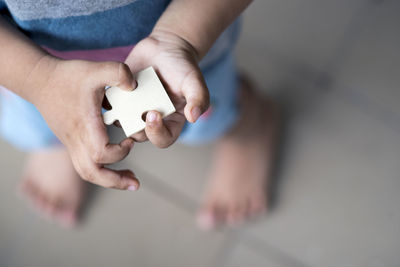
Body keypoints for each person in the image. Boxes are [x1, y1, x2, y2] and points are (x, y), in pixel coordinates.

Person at [0, 0, 276, 229]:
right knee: (44, 125)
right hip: (29, 63)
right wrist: (39, 78)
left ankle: (245, 125)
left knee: (204, 113)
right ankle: (61, 141)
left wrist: (178, 38)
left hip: (186, 43)